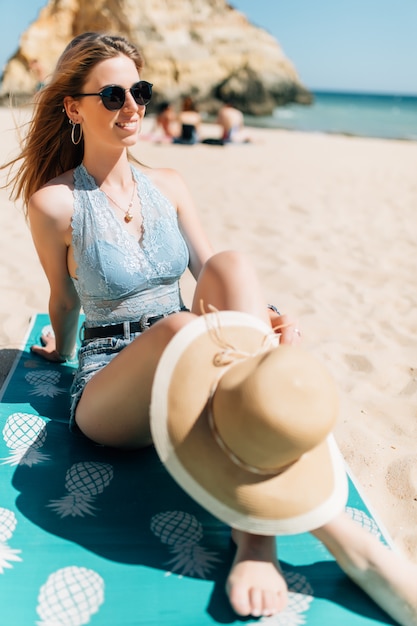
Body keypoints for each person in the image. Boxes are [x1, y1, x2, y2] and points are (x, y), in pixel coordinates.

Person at [4, 32, 417, 625]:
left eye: (139, 91)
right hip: (111, 388)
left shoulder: (170, 184)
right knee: (177, 327)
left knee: (234, 265)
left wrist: (267, 314)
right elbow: (62, 295)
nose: (132, 107)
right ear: (73, 106)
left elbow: (209, 269)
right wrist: (58, 348)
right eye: (113, 95)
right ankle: (311, 539)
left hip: (198, 358)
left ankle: (257, 539)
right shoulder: (55, 204)